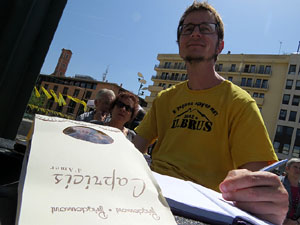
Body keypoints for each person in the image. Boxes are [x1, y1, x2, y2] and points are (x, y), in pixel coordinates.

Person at [133, 2, 288, 224]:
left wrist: (270, 200)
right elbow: (134, 149)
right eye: (187, 29)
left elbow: (260, 182)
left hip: (199, 213)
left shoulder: (240, 103)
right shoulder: (164, 98)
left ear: (220, 46)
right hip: (147, 198)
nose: (195, 33)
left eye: (205, 28)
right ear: (180, 43)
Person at [282, 158, 300, 225]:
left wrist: (297, 222)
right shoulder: (277, 183)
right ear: (287, 169)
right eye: (295, 167)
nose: (298, 170)